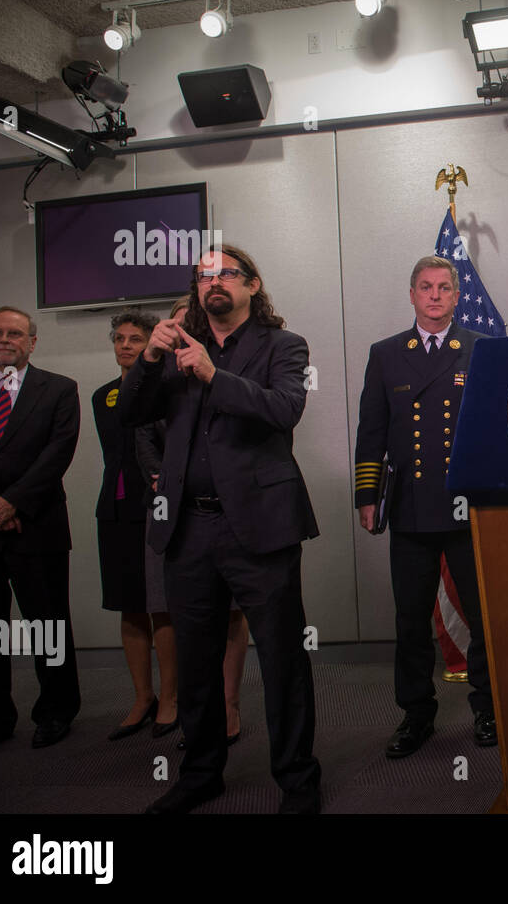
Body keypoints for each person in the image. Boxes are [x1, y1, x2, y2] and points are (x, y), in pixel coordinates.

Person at [120, 244, 322, 813]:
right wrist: (149, 361)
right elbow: (129, 414)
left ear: (252, 285)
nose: (215, 282)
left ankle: (299, 781)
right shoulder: (178, 345)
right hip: (189, 528)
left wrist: (212, 375)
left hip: (260, 526)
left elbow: (284, 410)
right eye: (204, 275)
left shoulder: (285, 346)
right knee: (197, 660)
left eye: (227, 273)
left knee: (283, 659)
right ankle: (201, 772)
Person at [354, 255, 495, 758]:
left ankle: (487, 709)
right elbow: (371, 429)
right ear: (412, 294)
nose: (434, 296)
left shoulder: (481, 350)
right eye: (425, 287)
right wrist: (367, 496)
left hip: (466, 504)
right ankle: (416, 714)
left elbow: (494, 430)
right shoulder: (387, 353)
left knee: (483, 616)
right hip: (411, 507)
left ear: (457, 297)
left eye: (443, 288)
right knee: (410, 619)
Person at [0, 306, 81, 757]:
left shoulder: (59, 390)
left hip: (37, 525)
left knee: (47, 625)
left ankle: (56, 712)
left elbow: (57, 454)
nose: (4, 339)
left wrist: (13, 502)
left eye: (15, 333)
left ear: (32, 342)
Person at [136, 299, 249, 746]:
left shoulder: (233, 363)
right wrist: (163, 475)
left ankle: (230, 706)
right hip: (172, 509)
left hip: (232, 510)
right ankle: (190, 719)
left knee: (233, 614)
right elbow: (139, 427)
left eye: (196, 314)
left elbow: (260, 419)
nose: (189, 321)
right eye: (182, 315)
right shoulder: (159, 370)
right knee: (184, 617)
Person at [93, 310, 173, 740]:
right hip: (116, 509)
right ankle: (143, 698)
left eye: (135, 339)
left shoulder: (162, 391)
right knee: (129, 606)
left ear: (151, 345)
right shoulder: (101, 396)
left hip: (154, 507)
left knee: (161, 606)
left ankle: (172, 698)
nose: (125, 346)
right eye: (119, 339)